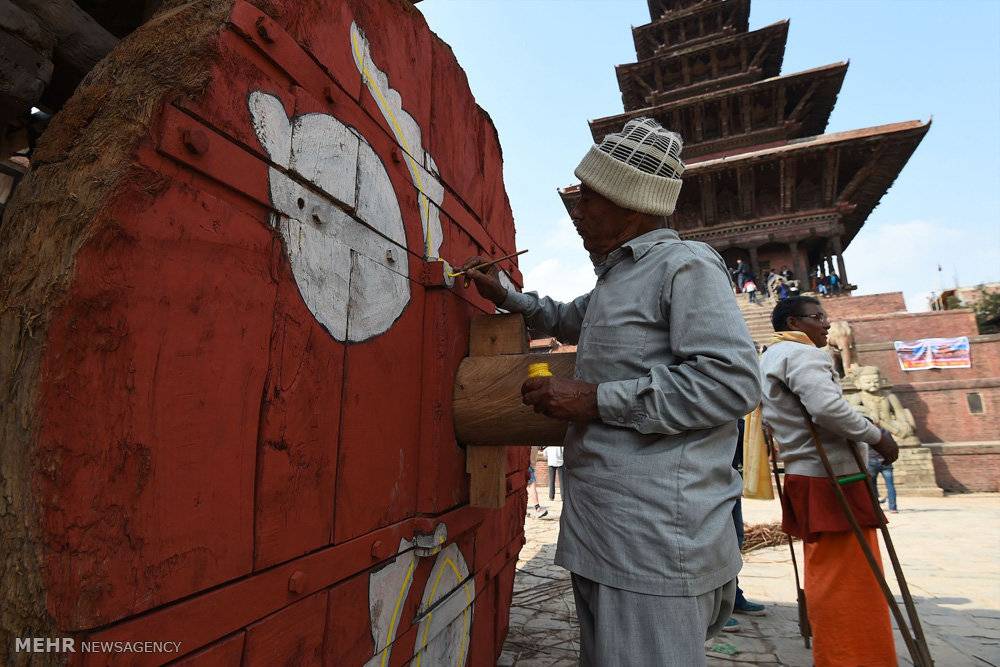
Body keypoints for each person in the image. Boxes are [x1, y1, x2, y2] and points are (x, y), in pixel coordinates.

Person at [461, 117, 761, 666]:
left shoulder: (685, 266)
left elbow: (733, 381)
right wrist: (505, 295)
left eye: (591, 198)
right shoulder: (615, 280)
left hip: (655, 539)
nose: (580, 210)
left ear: (631, 205)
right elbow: (568, 318)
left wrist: (596, 399)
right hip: (606, 528)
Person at [758, 296, 900, 667]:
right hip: (831, 477)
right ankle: (854, 657)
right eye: (818, 317)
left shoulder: (770, 356)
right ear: (794, 321)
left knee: (828, 572)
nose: (826, 325)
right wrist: (876, 435)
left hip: (805, 473)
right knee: (850, 579)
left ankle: (840, 653)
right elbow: (827, 409)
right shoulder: (803, 355)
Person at [868, 447, 897, 513]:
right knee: (890, 486)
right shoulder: (885, 436)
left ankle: (876, 508)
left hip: (872, 461)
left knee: (872, 486)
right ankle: (893, 508)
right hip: (885, 461)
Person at [527, 446, 548, 518]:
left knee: (529, 488)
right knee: (531, 487)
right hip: (528, 465)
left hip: (529, 465)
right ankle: (537, 508)